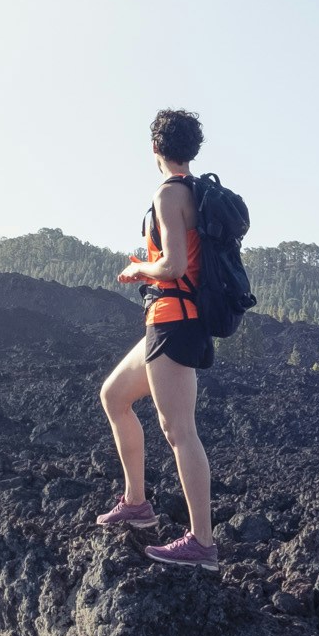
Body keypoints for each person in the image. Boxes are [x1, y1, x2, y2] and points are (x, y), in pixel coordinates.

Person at [97, 108, 220, 568]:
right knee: (114, 395)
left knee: (179, 431)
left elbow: (173, 267)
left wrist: (137, 269)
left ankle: (202, 544)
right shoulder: (196, 192)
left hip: (174, 319)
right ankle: (137, 505)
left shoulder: (169, 194)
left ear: (155, 149)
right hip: (168, 319)